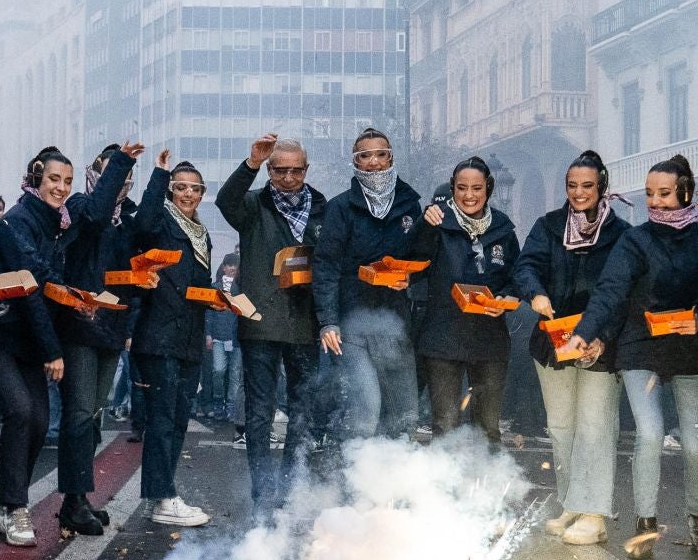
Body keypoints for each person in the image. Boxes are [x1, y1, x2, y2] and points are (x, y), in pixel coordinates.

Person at [568, 155, 698, 552]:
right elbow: (611, 291)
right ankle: (645, 521)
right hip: (640, 347)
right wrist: (585, 332)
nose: (655, 203)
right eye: (649, 194)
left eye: (665, 194)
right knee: (649, 433)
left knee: (696, 443)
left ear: (686, 192)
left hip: (691, 349)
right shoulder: (635, 240)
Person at [516, 151, 629, 542]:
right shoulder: (548, 226)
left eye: (587, 186)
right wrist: (536, 293)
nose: (579, 193)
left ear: (602, 188)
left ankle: (595, 514)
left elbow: (624, 292)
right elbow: (525, 266)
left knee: (596, 427)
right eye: (572, 186)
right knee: (562, 426)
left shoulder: (621, 234)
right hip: (553, 340)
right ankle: (571, 502)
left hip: (601, 344)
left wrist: (604, 335)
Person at [216, 133, 328, 511]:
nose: (289, 178)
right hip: (261, 320)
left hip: (306, 321)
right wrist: (250, 163)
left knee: (302, 407)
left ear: (306, 170)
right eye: (280, 170)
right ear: (269, 170)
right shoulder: (252, 205)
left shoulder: (322, 209)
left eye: (296, 170)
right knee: (261, 410)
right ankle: (263, 489)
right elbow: (224, 201)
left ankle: (289, 485)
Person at [0, 153, 70, 547]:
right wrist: (53, 350)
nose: (60, 187)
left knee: (40, 423)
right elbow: (30, 291)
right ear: (35, 179)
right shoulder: (15, 222)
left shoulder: (57, 224)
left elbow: (55, 285)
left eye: (67, 181)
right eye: (53, 179)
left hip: (28, 340)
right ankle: (15, 507)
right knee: (20, 410)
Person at [46, 142, 141, 524]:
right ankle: (72, 501)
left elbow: (129, 279)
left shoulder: (126, 221)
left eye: (125, 177)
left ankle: (81, 497)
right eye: (110, 173)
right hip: (79, 325)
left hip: (111, 328)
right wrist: (122, 161)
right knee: (80, 414)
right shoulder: (82, 207)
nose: (118, 182)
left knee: (94, 415)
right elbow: (100, 211)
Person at [312, 127, 425, 441]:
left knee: (403, 413)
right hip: (352, 323)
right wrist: (328, 321)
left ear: (390, 157)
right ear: (356, 162)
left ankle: (392, 485)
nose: (374, 162)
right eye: (365, 156)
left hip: (396, 321)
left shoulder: (409, 204)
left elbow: (420, 256)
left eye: (380, 154)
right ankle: (353, 484)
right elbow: (326, 266)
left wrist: (410, 278)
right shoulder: (340, 207)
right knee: (366, 407)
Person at [127, 152, 215, 527]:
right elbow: (141, 224)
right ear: (169, 191)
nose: (188, 195)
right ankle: (163, 497)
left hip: (190, 337)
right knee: (162, 420)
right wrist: (158, 174)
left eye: (195, 189)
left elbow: (199, 285)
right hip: (159, 334)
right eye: (180, 188)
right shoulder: (160, 220)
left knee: (178, 418)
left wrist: (219, 300)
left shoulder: (202, 232)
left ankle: (159, 493)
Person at [413, 156, 520, 443]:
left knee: (487, 427)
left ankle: (487, 486)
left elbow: (517, 275)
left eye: (477, 188)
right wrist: (425, 227)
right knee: (446, 424)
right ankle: (441, 487)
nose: (469, 195)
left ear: (489, 189)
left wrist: (507, 296)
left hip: (490, 340)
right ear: (452, 188)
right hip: (444, 338)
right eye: (461, 188)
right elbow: (413, 262)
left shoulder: (503, 229)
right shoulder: (436, 222)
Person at [200, 253, 244, 432]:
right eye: (229, 265)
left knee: (234, 375)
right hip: (217, 336)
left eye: (235, 265)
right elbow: (208, 313)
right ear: (223, 267)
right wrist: (208, 335)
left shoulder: (241, 289)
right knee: (218, 371)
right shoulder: (215, 288)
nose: (232, 268)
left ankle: (231, 407)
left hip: (236, 338)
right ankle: (218, 402)